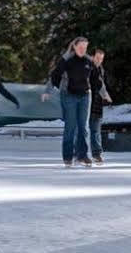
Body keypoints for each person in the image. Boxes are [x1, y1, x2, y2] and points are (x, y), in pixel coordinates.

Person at [45, 37, 102, 167]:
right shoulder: (67, 60)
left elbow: (95, 78)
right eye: (80, 47)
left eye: (85, 47)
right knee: (70, 127)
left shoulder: (89, 61)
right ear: (75, 47)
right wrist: (48, 90)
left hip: (85, 96)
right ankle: (68, 157)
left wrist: (99, 89)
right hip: (69, 95)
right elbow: (55, 75)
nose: (83, 50)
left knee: (83, 127)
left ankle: (82, 156)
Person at [86, 48, 112, 164]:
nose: (99, 61)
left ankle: (96, 154)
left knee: (96, 130)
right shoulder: (87, 68)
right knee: (81, 130)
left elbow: (103, 86)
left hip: (97, 105)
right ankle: (77, 153)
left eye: (101, 59)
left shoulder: (101, 70)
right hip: (85, 104)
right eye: (97, 58)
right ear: (92, 57)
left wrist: (105, 96)